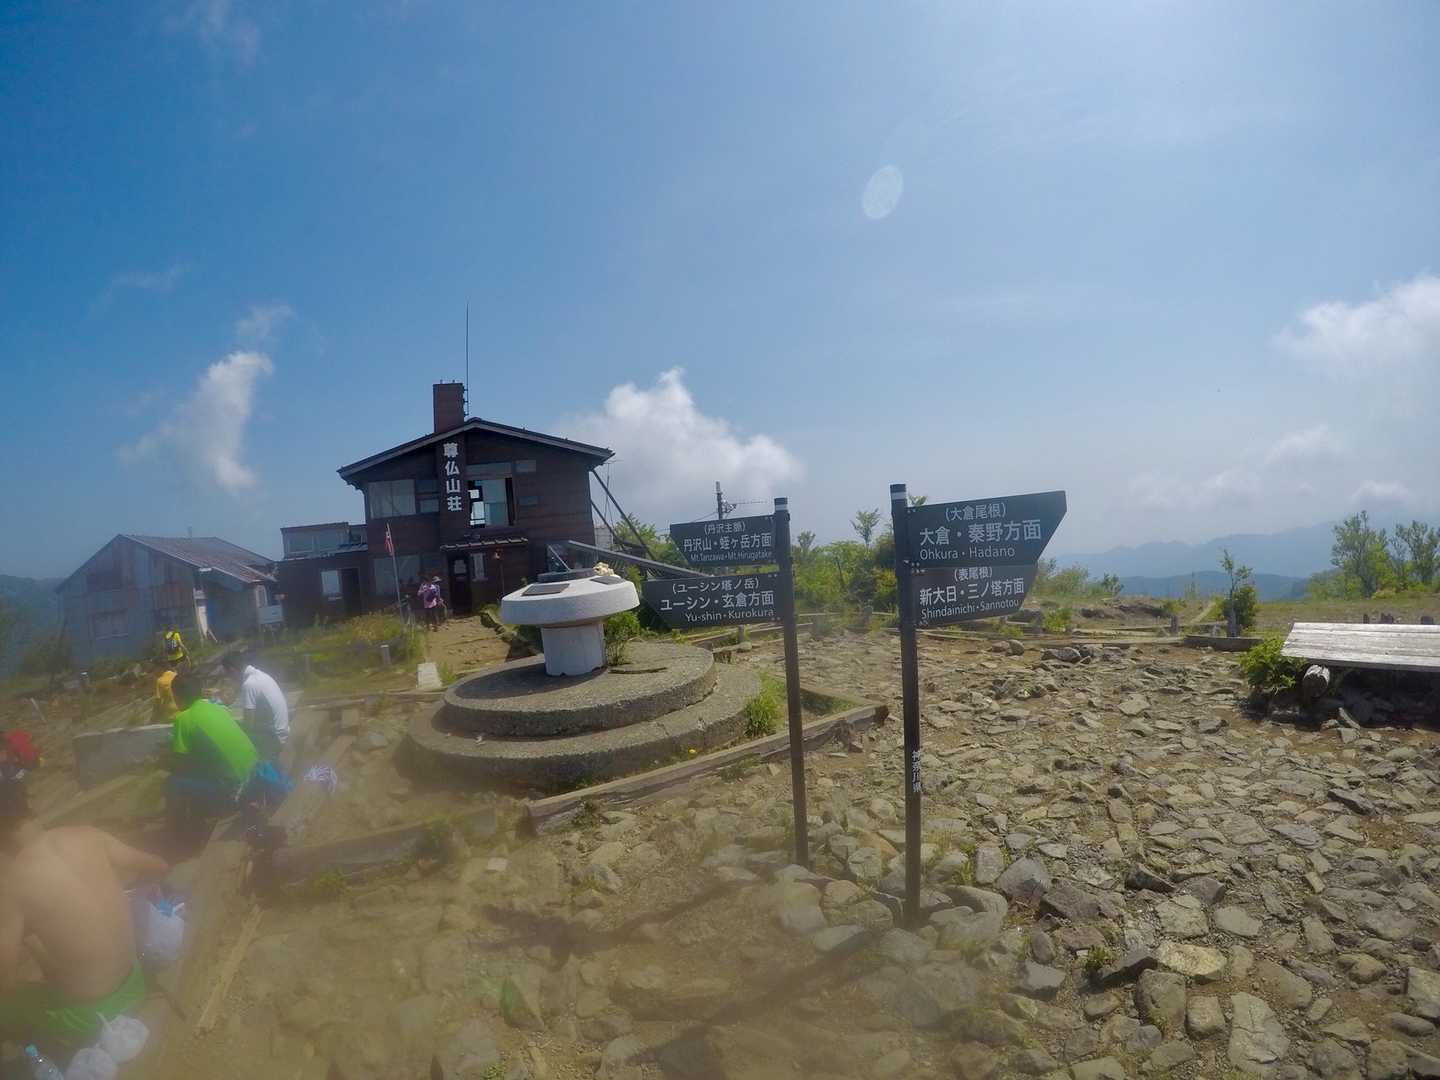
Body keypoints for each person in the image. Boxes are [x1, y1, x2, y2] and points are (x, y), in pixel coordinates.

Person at [0, 775, 168, 1051]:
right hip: (136, 982)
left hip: (92, 1017)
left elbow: (5, 980)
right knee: (38, 941)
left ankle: (51, 1043)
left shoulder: (13, 884)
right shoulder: (86, 835)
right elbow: (159, 866)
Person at [166, 671, 258, 842]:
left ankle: (176, 835)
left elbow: (179, 762)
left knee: (174, 782)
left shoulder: (183, 719)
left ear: (177, 697)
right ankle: (200, 817)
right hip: (255, 775)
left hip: (235, 790)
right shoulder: (216, 707)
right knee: (200, 772)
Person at [221, 654, 290, 767]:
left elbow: (249, 725)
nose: (228, 677)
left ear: (232, 670)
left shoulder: (249, 684)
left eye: (227, 674)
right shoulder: (260, 675)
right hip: (281, 731)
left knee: (228, 739)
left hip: (273, 738)